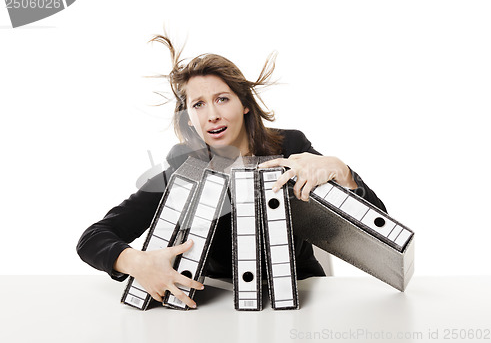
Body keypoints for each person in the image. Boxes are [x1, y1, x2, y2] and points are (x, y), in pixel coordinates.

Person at [76, 34, 386, 309]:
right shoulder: (183, 168)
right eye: (198, 105)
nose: (212, 115)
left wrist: (341, 171)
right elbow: (94, 237)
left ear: (244, 104)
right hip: (222, 303)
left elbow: (378, 227)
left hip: (306, 298)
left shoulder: (290, 146)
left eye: (222, 99)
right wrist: (137, 262)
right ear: (189, 118)